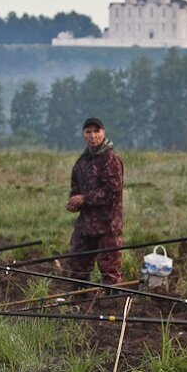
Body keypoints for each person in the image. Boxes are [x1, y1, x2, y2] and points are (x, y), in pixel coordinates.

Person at [66, 117, 124, 287]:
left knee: (110, 270)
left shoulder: (111, 159)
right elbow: (75, 187)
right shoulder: (81, 162)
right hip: (85, 225)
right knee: (77, 267)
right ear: (83, 135)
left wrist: (85, 198)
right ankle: (78, 302)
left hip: (108, 225)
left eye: (96, 131)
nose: (92, 136)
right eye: (88, 132)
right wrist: (74, 202)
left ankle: (113, 305)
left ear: (103, 133)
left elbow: (112, 191)